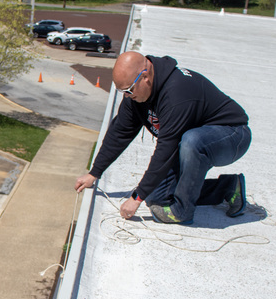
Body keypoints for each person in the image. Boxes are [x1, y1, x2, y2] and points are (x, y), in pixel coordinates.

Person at [74, 51, 250, 225]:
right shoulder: (135, 96)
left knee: (192, 141)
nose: (126, 96)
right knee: (157, 198)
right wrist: (94, 173)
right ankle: (229, 187)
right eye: (122, 91)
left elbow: (166, 149)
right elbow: (119, 133)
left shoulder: (177, 93)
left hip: (231, 135)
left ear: (145, 77)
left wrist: (136, 198)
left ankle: (182, 212)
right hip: (190, 140)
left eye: (128, 90)